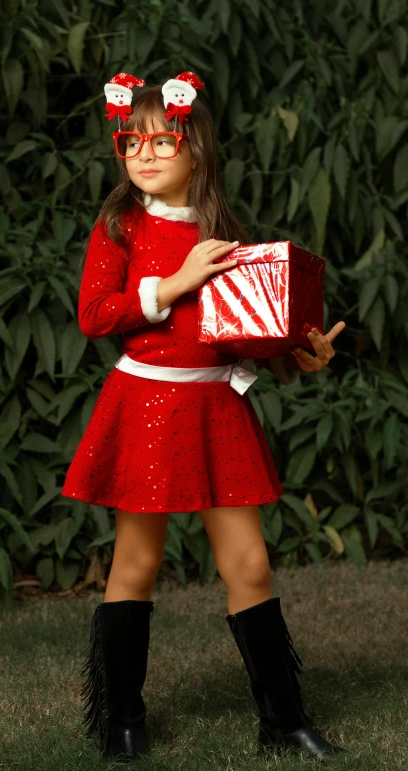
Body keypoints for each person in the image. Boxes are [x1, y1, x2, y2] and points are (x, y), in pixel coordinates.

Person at [61, 71, 346, 763]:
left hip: (217, 406)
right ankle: (121, 720)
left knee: (249, 562)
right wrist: (178, 281)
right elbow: (96, 315)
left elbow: (241, 330)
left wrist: (295, 357)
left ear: (198, 150)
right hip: (146, 404)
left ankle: (282, 719)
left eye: (166, 139)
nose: (147, 152)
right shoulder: (119, 226)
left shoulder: (226, 234)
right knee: (136, 561)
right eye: (134, 140)